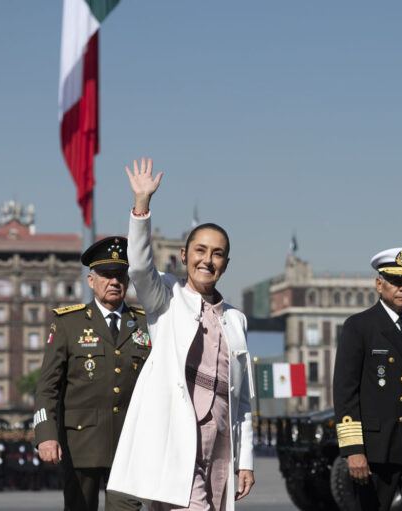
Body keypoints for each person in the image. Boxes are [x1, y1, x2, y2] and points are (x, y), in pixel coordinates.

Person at [107, 158, 255, 510]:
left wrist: (245, 458)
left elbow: (245, 400)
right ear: (184, 255)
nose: (208, 260)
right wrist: (142, 204)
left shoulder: (237, 320)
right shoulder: (167, 296)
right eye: (200, 251)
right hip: (175, 435)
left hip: (220, 441)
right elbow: (140, 266)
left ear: (226, 264)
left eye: (217, 254)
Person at [33, 236, 150, 511]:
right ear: (91, 280)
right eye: (106, 275)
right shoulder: (68, 323)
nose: (114, 282)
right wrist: (45, 434)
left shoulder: (145, 323)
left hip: (129, 446)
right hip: (80, 445)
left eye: (120, 275)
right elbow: (47, 387)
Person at [333, 248, 402, 511]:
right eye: (396, 282)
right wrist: (353, 450)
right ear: (379, 284)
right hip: (377, 450)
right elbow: (345, 392)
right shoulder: (359, 326)